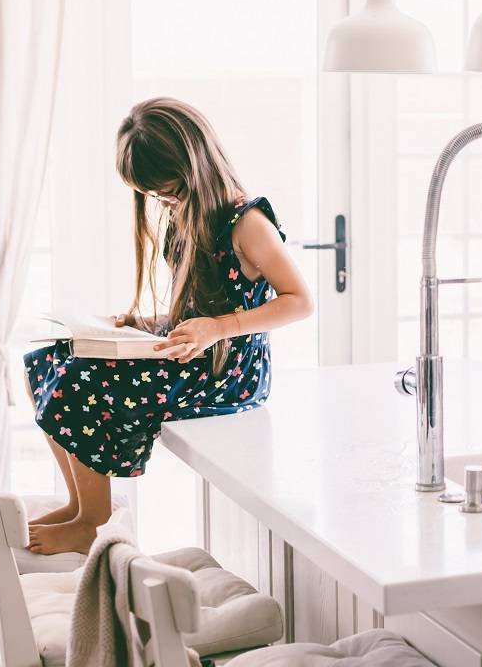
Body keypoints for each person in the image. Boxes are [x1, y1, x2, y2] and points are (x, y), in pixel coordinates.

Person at [24, 98, 314, 553]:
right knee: (45, 361)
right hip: (196, 351)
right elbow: (202, 305)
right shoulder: (189, 213)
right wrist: (149, 322)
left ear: (196, 164)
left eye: (167, 189)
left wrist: (218, 328)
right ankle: (81, 505)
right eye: (153, 194)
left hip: (230, 373)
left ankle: (93, 522)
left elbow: (300, 302)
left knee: (81, 380)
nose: (162, 201)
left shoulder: (249, 223)